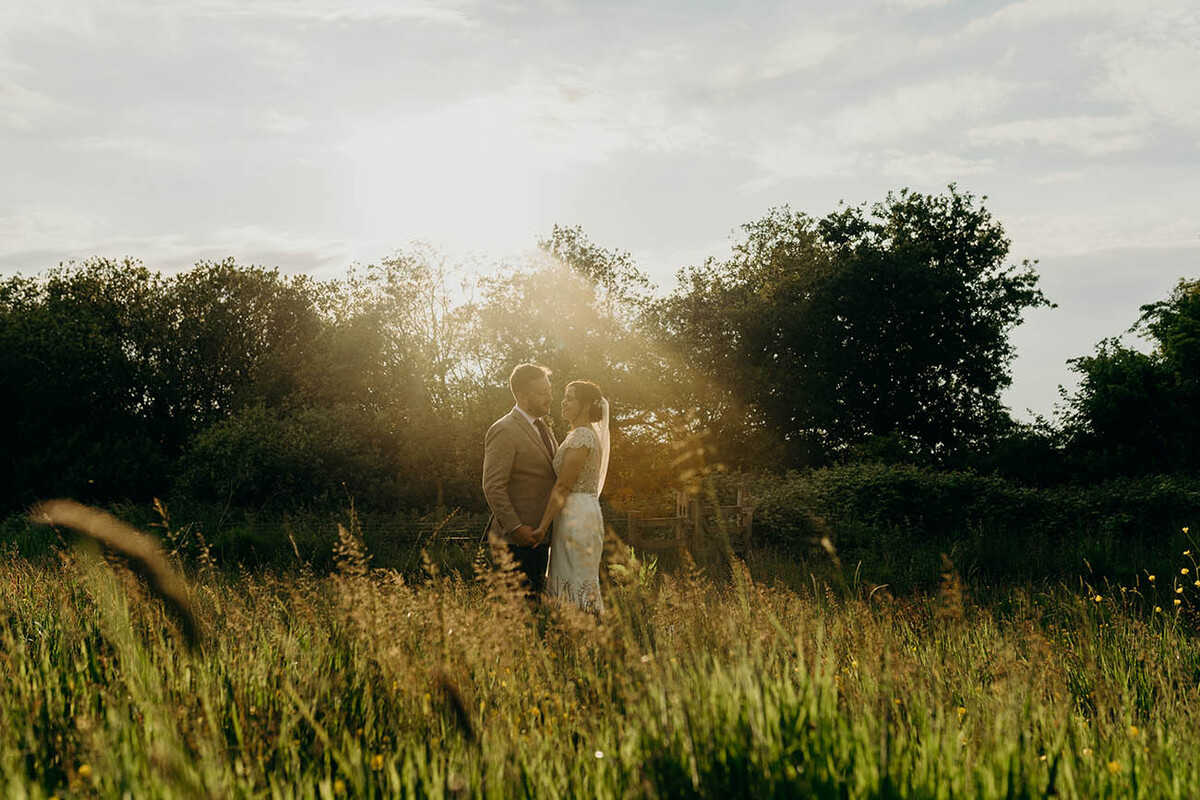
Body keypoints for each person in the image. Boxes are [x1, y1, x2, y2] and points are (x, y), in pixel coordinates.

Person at [533, 380, 609, 613]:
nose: (563, 403)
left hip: (576, 514)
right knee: (576, 574)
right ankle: (581, 624)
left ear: (586, 405)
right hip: (581, 510)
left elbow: (564, 485)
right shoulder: (581, 435)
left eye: (570, 398)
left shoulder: (581, 437)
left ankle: (580, 624)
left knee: (575, 574)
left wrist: (543, 525)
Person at [482, 364, 558, 596]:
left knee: (536, 613)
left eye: (549, 390)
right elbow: (493, 486)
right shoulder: (504, 429)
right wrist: (516, 527)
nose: (549, 397)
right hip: (515, 541)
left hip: (541, 537)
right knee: (516, 615)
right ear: (522, 396)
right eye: (542, 392)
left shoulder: (543, 427)